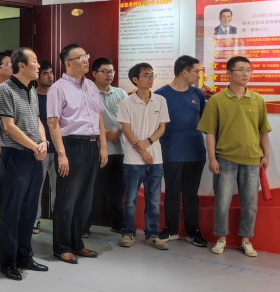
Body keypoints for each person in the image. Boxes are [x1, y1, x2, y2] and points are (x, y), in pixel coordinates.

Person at [198, 56, 271, 256]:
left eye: (248, 69)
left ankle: (246, 240)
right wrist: (212, 158)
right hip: (225, 160)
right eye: (241, 69)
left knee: (250, 204)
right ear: (229, 73)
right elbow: (210, 133)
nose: (246, 73)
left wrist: (266, 155)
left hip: (252, 160)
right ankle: (221, 239)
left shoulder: (257, 99)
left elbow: (263, 131)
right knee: (222, 202)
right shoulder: (216, 100)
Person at [46, 44, 107, 264]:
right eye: (80, 57)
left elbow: (99, 116)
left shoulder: (90, 85)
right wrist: (61, 154)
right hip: (71, 146)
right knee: (67, 200)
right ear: (68, 63)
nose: (85, 60)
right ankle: (62, 247)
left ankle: (77, 242)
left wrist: (103, 147)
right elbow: (53, 123)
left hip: (91, 145)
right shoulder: (58, 88)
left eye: (86, 55)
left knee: (85, 200)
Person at [0, 49, 50, 280]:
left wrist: (43, 142)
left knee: (29, 209)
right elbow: (9, 127)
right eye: (35, 61)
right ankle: (8, 261)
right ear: (21, 66)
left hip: (34, 156)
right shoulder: (6, 89)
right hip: (15, 156)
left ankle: (25, 256)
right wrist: (34, 146)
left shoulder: (32, 90)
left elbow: (37, 120)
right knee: (12, 211)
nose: (38, 66)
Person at [155, 56, 208, 247]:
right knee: (172, 191)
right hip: (171, 152)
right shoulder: (161, 95)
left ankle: (193, 231)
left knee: (191, 193)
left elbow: (204, 120)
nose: (199, 75)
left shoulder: (197, 94)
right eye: (196, 71)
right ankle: (171, 229)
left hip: (195, 153)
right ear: (185, 72)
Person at [117, 63, 171, 250]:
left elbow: (162, 127)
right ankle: (128, 232)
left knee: (154, 200)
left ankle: (152, 234)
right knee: (130, 200)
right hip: (133, 160)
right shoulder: (126, 102)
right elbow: (126, 129)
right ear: (135, 79)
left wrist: (148, 143)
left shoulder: (160, 100)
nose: (151, 78)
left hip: (156, 159)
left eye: (152, 75)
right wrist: (142, 151)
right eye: (146, 75)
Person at [88, 58, 127, 234]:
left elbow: (128, 118)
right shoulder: (88, 93)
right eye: (104, 71)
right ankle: (84, 226)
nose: (109, 75)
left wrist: (118, 130)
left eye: (111, 71)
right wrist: (104, 133)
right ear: (94, 73)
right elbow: (85, 119)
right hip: (96, 150)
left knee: (117, 190)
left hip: (119, 150)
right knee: (92, 190)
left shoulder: (121, 94)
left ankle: (118, 224)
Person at [34, 59, 56, 234]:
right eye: (45, 73)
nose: (50, 76)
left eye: (51, 73)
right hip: (39, 148)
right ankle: (34, 220)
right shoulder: (31, 96)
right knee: (37, 187)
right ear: (38, 76)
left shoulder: (57, 96)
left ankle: (59, 221)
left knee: (59, 188)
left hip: (58, 149)